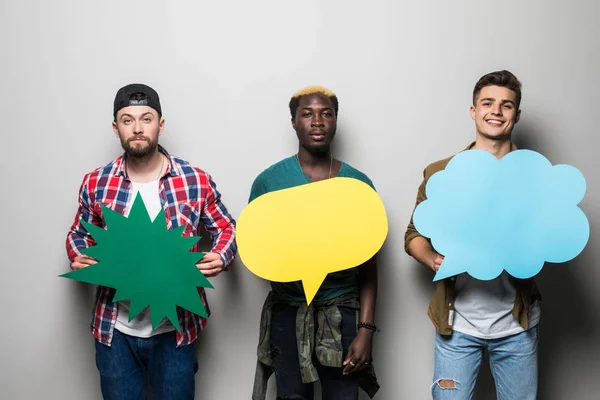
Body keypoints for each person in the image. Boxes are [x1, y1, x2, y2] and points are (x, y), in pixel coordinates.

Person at [65, 83, 237, 400]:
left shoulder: (194, 179)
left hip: (176, 329)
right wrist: (79, 255)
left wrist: (221, 255)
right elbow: (78, 233)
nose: (138, 128)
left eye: (146, 118)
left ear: (161, 124)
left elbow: (226, 227)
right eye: (128, 120)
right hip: (115, 330)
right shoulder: (96, 181)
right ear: (116, 128)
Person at [404, 70, 541, 399]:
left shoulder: (533, 175)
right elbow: (413, 236)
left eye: (506, 105)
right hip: (457, 325)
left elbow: (545, 239)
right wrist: (434, 260)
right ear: (473, 111)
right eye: (487, 102)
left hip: (516, 325)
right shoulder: (441, 173)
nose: (496, 110)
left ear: (516, 115)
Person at [250, 86, 380, 400]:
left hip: (343, 314)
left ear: (336, 121)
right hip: (288, 312)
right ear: (294, 122)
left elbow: (370, 268)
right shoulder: (269, 182)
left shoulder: (358, 186)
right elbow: (257, 247)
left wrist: (365, 331)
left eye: (326, 113)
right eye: (307, 114)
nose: (317, 121)